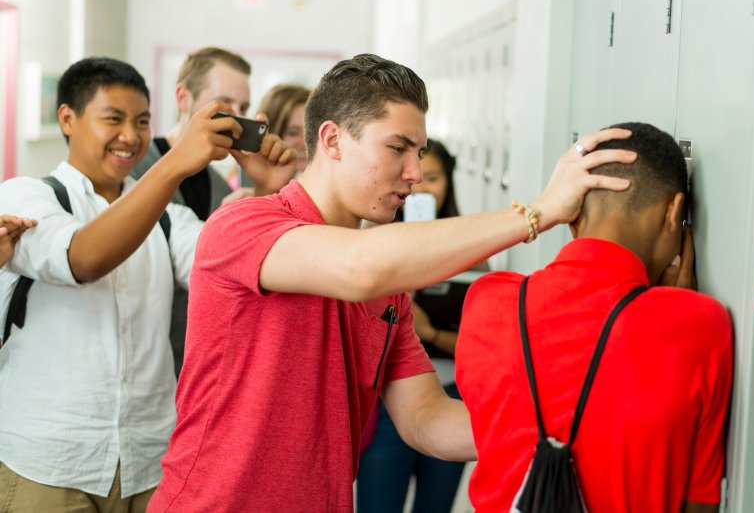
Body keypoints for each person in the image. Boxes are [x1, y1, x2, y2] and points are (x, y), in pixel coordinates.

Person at [148, 53, 636, 513]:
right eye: (398, 148)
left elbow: (427, 418)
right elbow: (359, 267)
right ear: (332, 140)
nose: (415, 173)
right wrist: (539, 212)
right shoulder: (242, 225)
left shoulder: (388, 291)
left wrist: (561, 422)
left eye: (418, 152)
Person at [0, 56, 293, 512]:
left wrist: (266, 193)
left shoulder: (171, 220)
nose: (131, 136)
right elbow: (82, 259)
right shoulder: (28, 196)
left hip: (149, 463)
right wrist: (175, 163)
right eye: (113, 119)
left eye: (141, 121)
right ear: (68, 119)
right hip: (49, 465)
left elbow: (240, 273)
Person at [455, 122, 733, 513]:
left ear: (571, 217)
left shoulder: (487, 301)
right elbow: (699, 502)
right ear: (674, 212)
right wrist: (675, 306)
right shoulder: (701, 324)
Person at [131, 46, 297, 375]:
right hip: (142, 360)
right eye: (224, 104)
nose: (237, 118)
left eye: (244, 107)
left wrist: (265, 192)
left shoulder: (221, 186)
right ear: (183, 97)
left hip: (195, 361)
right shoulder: (136, 170)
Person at [357, 139, 476, 512]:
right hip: (384, 400)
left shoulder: (472, 253)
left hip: (452, 394)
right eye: (415, 178)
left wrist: (431, 333)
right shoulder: (370, 248)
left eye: (434, 178)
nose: (422, 187)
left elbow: (479, 349)